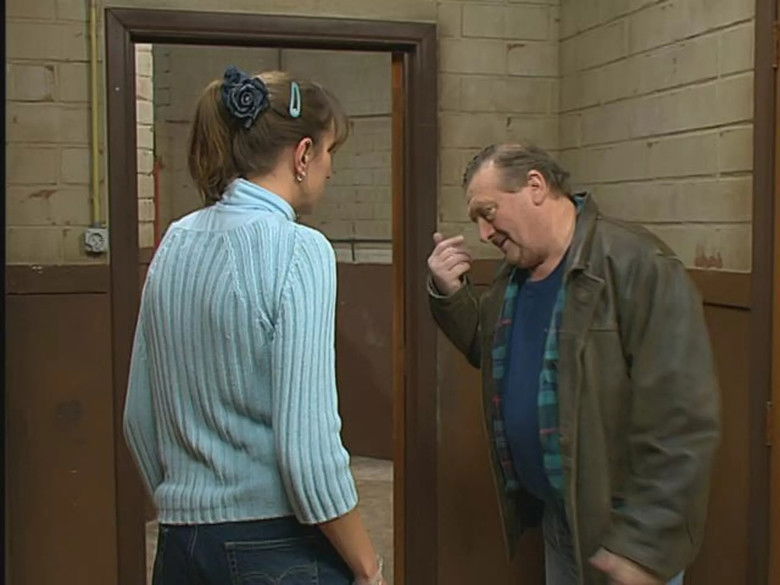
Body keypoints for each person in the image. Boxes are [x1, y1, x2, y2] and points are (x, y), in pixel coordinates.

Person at [124, 66, 385, 585]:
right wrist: (368, 567)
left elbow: (138, 419)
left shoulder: (175, 242)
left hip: (181, 544)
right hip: (276, 547)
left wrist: (193, 508)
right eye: (330, 151)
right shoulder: (299, 250)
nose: (331, 170)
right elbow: (308, 450)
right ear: (303, 155)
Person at [427, 144, 719, 585]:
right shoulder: (513, 276)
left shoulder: (638, 264)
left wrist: (643, 544)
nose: (484, 233)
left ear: (535, 186)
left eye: (488, 213)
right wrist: (450, 294)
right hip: (561, 521)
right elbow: (492, 354)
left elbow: (684, 418)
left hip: (625, 536)